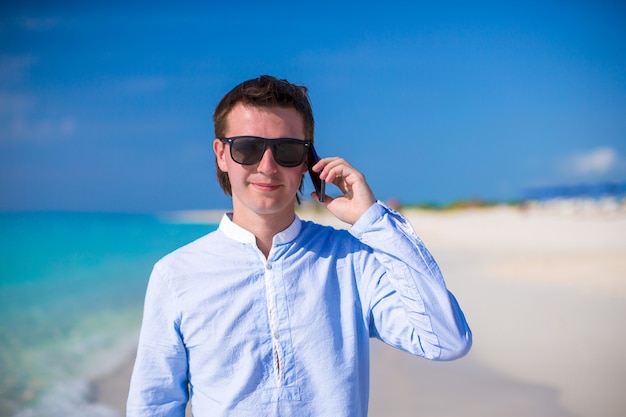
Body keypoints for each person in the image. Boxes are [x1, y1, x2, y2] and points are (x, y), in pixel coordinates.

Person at [127, 75, 472, 417]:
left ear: (308, 161)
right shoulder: (175, 275)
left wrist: (373, 220)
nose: (267, 166)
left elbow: (446, 340)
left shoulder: (351, 261)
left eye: (287, 151)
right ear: (222, 154)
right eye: (247, 148)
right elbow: (153, 405)